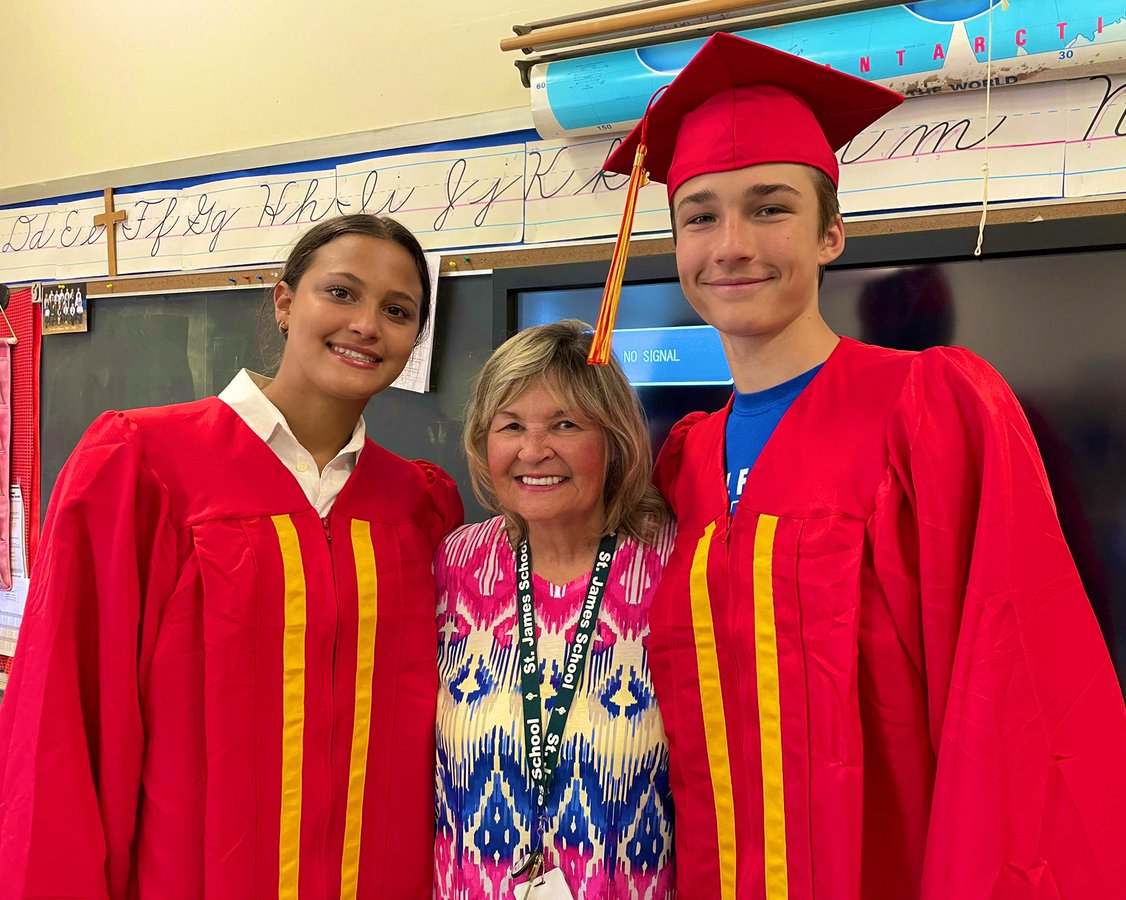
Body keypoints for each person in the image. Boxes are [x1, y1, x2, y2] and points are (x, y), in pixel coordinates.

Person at [590, 33, 1126, 900]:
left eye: (770, 207)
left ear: (831, 236)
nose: (731, 243)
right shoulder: (684, 459)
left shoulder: (931, 410)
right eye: (700, 214)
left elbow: (1015, 704)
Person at [0, 214, 464, 897]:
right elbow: (63, 724)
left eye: (397, 311)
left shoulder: (418, 506)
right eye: (341, 293)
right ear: (283, 302)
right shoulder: (143, 467)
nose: (367, 324)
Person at [434, 319, 675, 898]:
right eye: (511, 425)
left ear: (613, 441)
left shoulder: (675, 562)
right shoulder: (456, 563)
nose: (533, 450)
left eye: (565, 424)